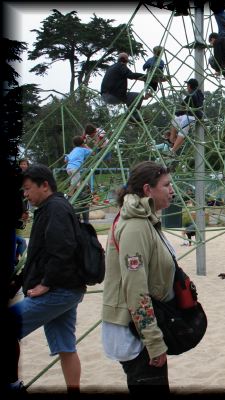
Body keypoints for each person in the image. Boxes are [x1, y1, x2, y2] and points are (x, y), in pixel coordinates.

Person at [8, 164, 87, 394]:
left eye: (27, 188)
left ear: (44, 185)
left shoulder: (55, 209)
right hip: (67, 288)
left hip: (59, 290)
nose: (25, 194)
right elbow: (40, 255)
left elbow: (62, 250)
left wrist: (46, 283)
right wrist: (20, 281)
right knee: (66, 347)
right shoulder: (52, 207)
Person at [102, 161, 176, 395]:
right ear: (147, 189)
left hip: (140, 327)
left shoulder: (144, 219)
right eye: (166, 185)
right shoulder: (135, 225)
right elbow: (135, 288)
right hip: (134, 332)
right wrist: (153, 341)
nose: (171, 190)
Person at [100, 52, 146, 121]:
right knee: (139, 96)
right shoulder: (121, 66)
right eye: (127, 59)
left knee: (131, 97)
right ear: (125, 60)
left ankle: (131, 115)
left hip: (105, 95)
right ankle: (132, 116)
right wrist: (146, 76)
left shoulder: (111, 67)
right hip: (113, 95)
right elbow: (131, 75)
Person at [166, 78, 205, 154]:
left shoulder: (192, 94)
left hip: (191, 117)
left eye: (187, 86)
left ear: (189, 86)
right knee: (175, 120)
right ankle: (172, 140)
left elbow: (183, 105)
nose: (187, 88)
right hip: (190, 115)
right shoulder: (199, 93)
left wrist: (182, 110)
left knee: (182, 131)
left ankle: (172, 150)